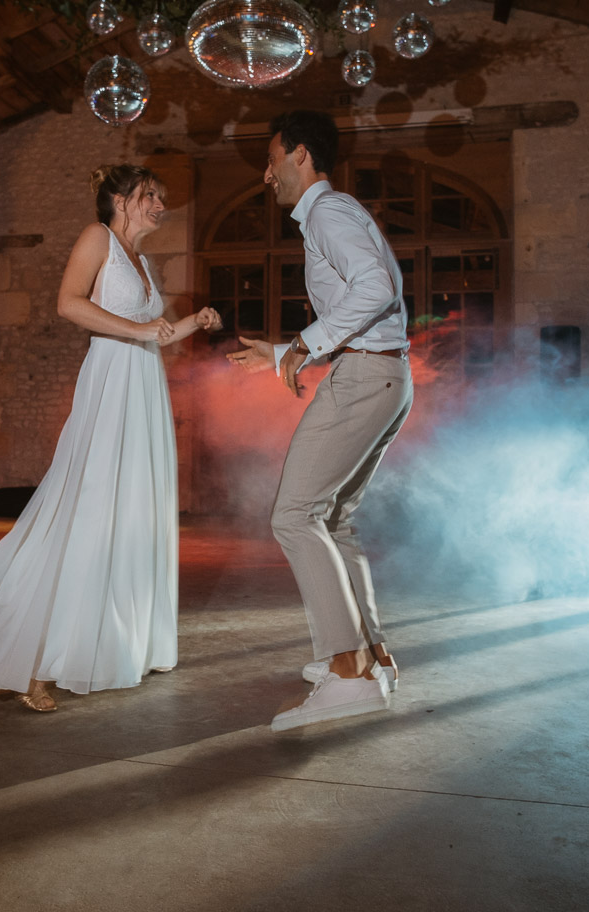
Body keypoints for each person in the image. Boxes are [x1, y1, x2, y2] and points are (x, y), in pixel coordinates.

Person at [0, 163, 221, 712]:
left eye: (160, 197)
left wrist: (195, 321)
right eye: (151, 196)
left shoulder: (143, 261)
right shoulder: (95, 237)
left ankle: (123, 644)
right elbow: (69, 304)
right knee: (91, 507)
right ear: (122, 199)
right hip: (109, 382)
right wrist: (139, 331)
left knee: (134, 511)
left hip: (144, 388)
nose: (159, 206)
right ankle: (36, 660)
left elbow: (159, 331)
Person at [227, 110, 414, 732]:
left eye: (273, 158)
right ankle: (372, 656)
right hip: (382, 375)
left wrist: (304, 345)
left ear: (300, 155)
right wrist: (286, 351)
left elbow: (376, 287)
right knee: (334, 519)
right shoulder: (334, 216)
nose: (266, 172)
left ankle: (348, 672)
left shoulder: (329, 213)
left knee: (294, 514)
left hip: (363, 378)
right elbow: (363, 301)